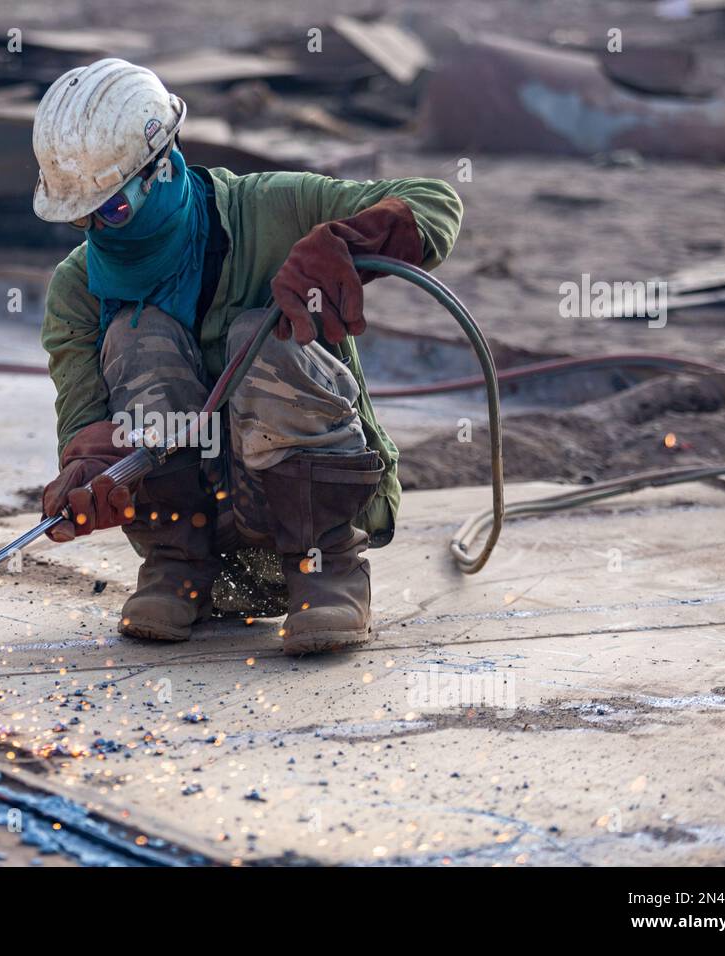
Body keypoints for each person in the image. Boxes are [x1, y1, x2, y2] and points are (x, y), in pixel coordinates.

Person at [33, 58, 462, 654]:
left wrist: (347, 241)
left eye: (112, 209)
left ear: (163, 166)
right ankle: (177, 566)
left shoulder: (275, 210)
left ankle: (329, 570)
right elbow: (83, 423)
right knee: (138, 337)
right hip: (202, 541)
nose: (98, 230)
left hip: (313, 512)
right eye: (81, 216)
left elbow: (436, 200)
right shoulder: (78, 286)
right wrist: (87, 470)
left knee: (257, 337)